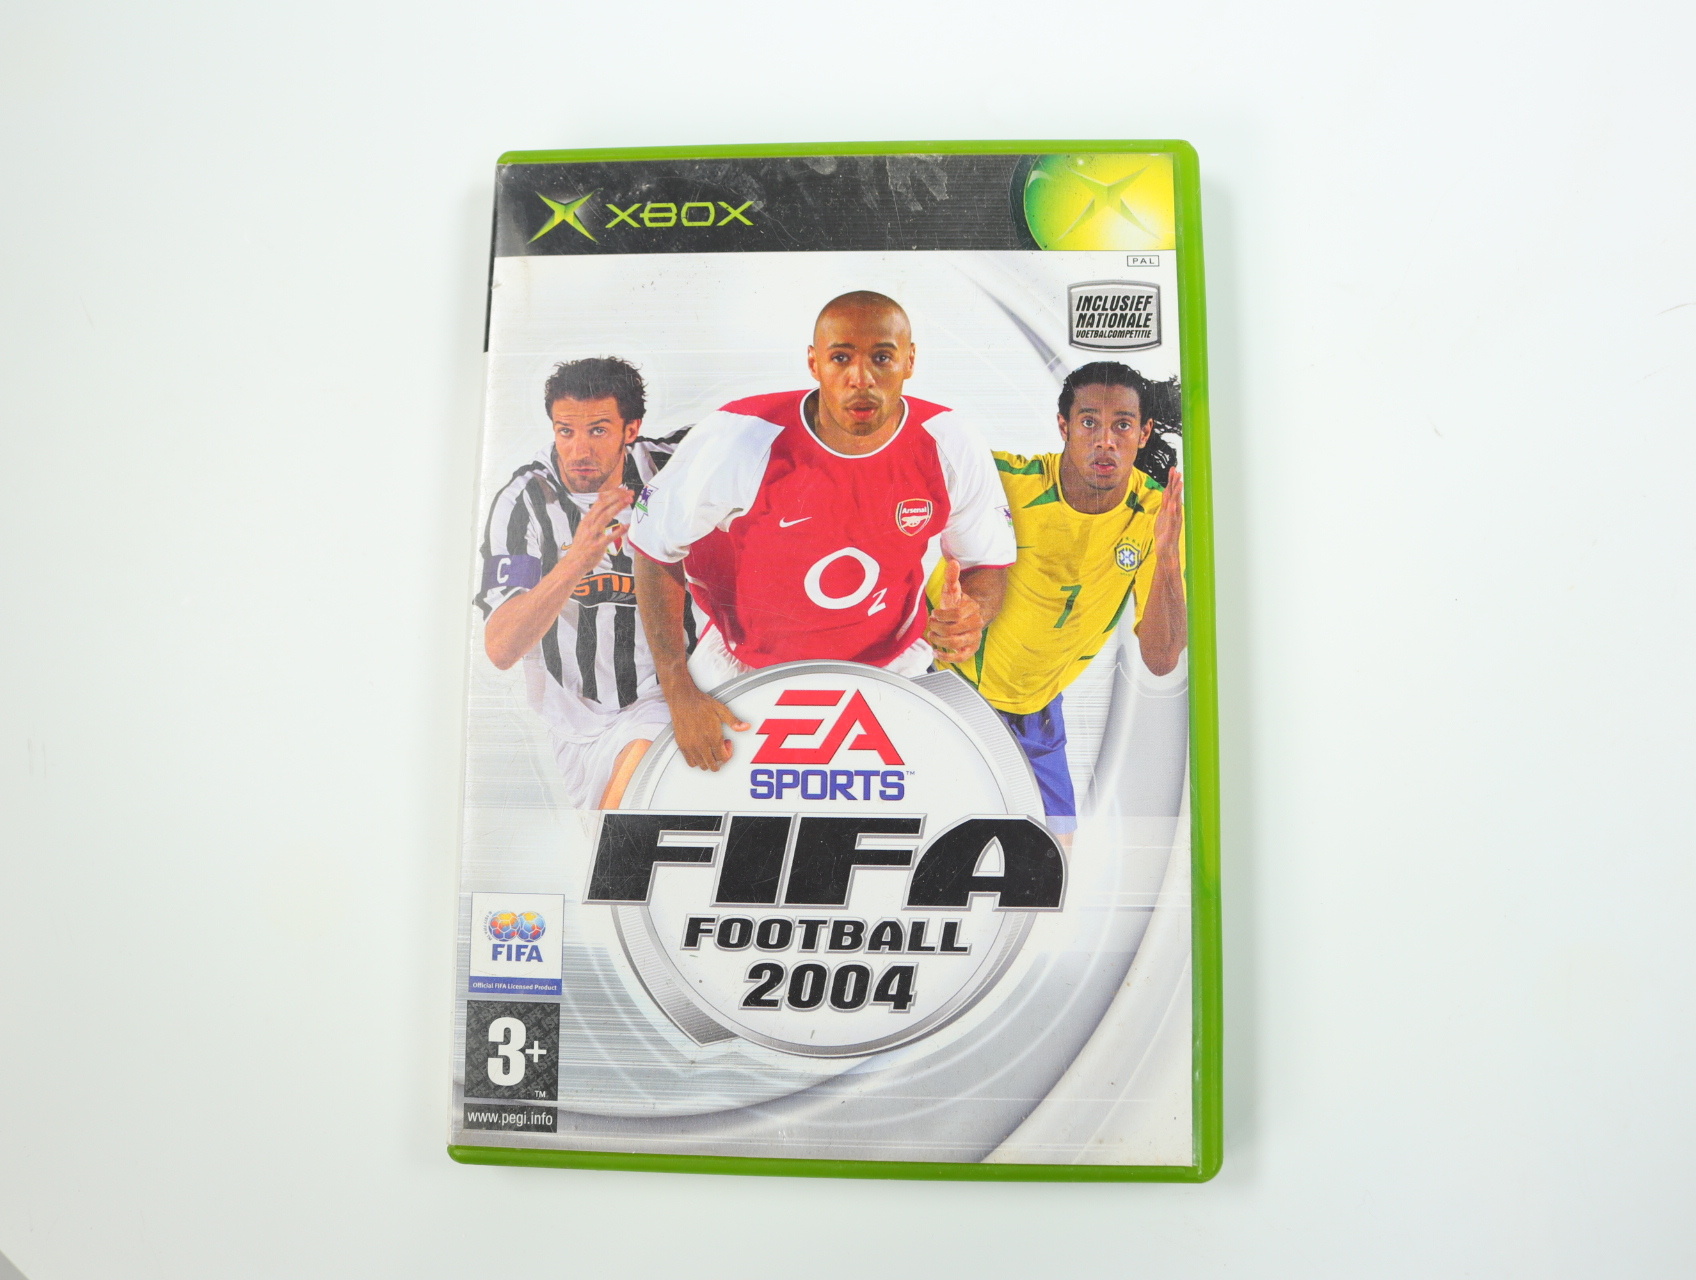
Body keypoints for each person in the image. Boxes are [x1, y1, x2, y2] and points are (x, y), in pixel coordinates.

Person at [629, 290, 1015, 771]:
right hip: (744, 670)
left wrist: (973, 615)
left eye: (882, 358)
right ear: (813, 363)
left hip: (894, 669)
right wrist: (678, 692)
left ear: (910, 361)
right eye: (841, 358)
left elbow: (986, 564)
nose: (861, 379)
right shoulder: (739, 437)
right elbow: (653, 548)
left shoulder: (949, 441)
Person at [935, 360, 1187, 838]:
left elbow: (1161, 659)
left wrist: (1170, 558)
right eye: (1089, 422)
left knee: (1058, 858)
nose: (1105, 440)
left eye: (1122, 425)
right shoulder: (1004, 479)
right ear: (1063, 426)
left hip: (1038, 710)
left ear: (1144, 433)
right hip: (951, 690)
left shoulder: (1157, 515)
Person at [476, 357, 687, 808]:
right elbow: (501, 647)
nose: (579, 451)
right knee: (606, 837)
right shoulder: (525, 503)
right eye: (565, 431)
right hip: (572, 718)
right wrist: (575, 562)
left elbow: (752, 436)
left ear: (631, 429)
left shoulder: (673, 469)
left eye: (598, 430)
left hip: (665, 697)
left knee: (626, 812)